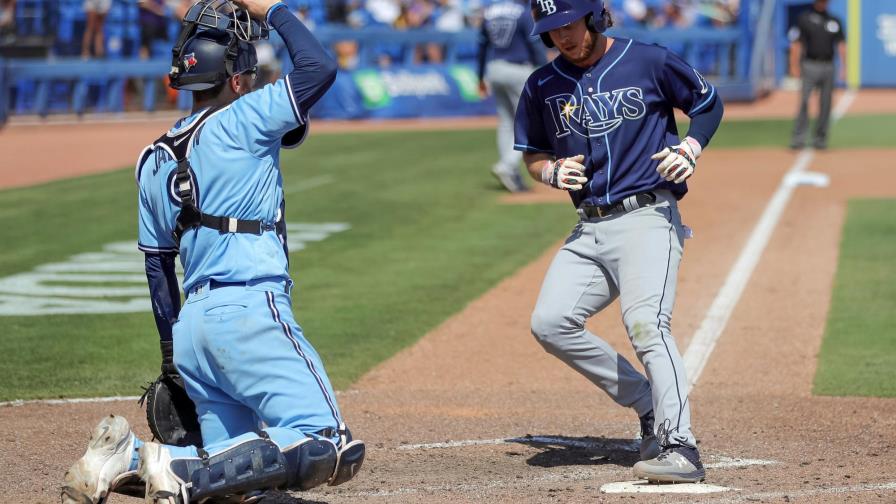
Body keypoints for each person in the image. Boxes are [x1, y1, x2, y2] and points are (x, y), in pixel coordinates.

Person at [60, 1, 365, 502]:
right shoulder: (247, 118)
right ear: (236, 79)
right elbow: (319, 67)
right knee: (326, 443)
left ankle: (135, 459)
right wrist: (274, 8)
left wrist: (171, 362)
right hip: (250, 314)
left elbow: (157, 267)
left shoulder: (153, 158)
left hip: (194, 335)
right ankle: (149, 460)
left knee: (244, 491)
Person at [514, 0, 723, 483]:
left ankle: (679, 445)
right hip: (590, 228)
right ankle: (645, 400)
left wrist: (691, 146)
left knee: (647, 324)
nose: (563, 37)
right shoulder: (541, 85)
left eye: (570, 24)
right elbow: (533, 154)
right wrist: (549, 172)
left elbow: (707, 103)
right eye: (553, 29)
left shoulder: (647, 59)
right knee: (550, 322)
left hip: (648, 216)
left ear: (594, 17)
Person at [476, 0, 545, 193]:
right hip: (518, 69)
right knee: (529, 122)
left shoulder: (489, 11)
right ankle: (507, 166)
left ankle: (510, 170)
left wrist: (480, 77)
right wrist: (543, 70)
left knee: (506, 122)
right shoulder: (523, 12)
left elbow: (481, 47)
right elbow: (534, 43)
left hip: (494, 67)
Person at [788, 0, 845, 150]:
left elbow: (841, 44)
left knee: (826, 103)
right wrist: (794, 65)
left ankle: (821, 139)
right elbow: (797, 43)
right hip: (810, 64)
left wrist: (844, 67)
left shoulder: (834, 21)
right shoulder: (804, 18)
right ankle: (798, 138)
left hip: (828, 65)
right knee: (805, 101)